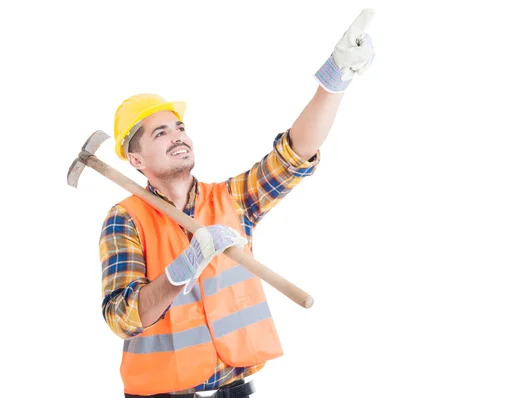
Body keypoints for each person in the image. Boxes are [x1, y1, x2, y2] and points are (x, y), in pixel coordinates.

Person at [99, 9, 376, 398]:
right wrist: (182, 270)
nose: (178, 136)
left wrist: (335, 80)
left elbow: (294, 156)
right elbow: (120, 317)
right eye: (160, 132)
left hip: (235, 389)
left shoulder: (231, 199)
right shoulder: (125, 219)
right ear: (137, 160)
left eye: (180, 127)